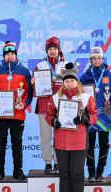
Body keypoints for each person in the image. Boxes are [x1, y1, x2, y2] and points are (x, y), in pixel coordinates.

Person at [46, 63, 98, 192]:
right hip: (61, 141)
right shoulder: (55, 98)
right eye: (66, 81)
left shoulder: (86, 97)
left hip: (79, 141)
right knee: (63, 171)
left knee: (77, 172)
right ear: (63, 83)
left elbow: (94, 116)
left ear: (77, 81)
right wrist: (53, 121)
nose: (69, 83)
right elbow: (49, 115)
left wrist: (84, 117)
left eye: (72, 80)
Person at [0, 41, 33, 180]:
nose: (10, 57)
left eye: (13, 54)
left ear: (16, 55)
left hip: (17, 114)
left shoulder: (24, 71)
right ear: (4, 56)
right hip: (0, 114)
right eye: (8, 54)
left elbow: (29, 91)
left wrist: (24, 104)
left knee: (17, 142)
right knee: (0, 142)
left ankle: (18, 170)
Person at [79, 47, 111, 182]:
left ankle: (100, 172)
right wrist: (82, 109)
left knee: (104, 143)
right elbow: (79, 95)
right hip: (90, 116)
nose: (97, 60)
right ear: (90, 60)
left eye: (99, 58)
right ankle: (91, 172)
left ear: (102, 59)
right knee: (89, 144)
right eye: (94, 58)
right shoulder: (85, 76)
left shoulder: (110, 76)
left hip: (105, 115)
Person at [30, 36, 67, 174]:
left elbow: (73, 87)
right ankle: (47, 163)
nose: (52, 51)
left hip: (61, 107)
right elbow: (34, 91)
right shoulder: (40, 66)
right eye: (50, 49)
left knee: (59, 136)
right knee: (45, 135)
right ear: (47, 51)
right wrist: (33, 84)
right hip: (44, 105)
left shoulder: (66, 65)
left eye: (54, 49)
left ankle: (57, 162)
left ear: (59, 50)